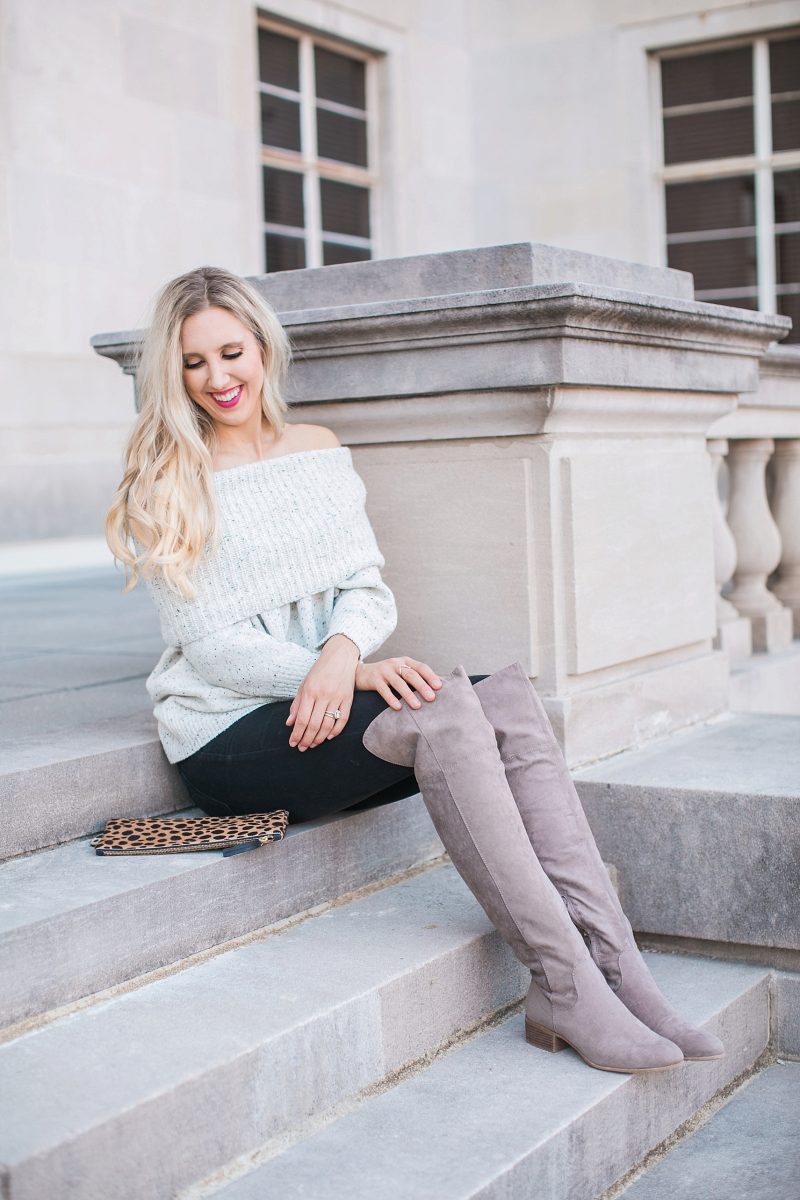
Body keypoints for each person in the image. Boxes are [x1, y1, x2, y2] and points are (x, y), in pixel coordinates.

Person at [105, 265, 724, 1076]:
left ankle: (619, 970)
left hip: (319, 693)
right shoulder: (171, 479)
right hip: (227, 734)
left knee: (501, 697)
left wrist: (341, 657)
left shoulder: (317, 452)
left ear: (262, 347)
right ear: (173, 374)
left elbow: (366, 586)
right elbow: (213, 646)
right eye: (194, 363)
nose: (219, 378)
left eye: (231, 352)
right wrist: (336, 677)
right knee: (442, 712)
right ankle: (563, 982)